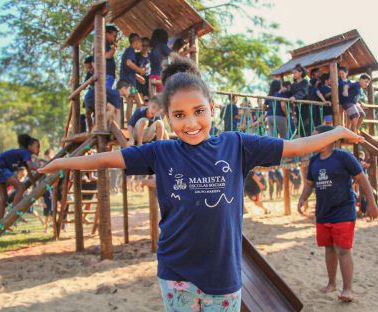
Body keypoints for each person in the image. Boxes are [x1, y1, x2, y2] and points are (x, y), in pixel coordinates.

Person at [39, 54, 364, 312]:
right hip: (176, 273)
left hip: (222, 275)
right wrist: (61, 163)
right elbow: (105, 159)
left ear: (213, 107)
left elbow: (293, 147)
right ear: (167, 116)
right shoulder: (161, 151)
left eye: (198, 111)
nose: (191, 123)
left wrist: (336, 132)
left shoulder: (237, 145)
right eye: (179, 115)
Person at [298, 125, 378, 302]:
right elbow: (310, 183)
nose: (312, 140)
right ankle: (332, 283)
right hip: (323, 212)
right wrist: (302, 198)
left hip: (344, 211)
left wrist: (372, 203)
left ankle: (347, 289)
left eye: (316, 137)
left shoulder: (344, 157)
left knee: (343, 250)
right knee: (329, 248)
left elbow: (362, 179)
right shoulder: (314, 161)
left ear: (328, 139)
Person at [0, 134, 40, 220]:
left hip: (0, 168)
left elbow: (30, 174)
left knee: (4, 198)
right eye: (37, 146)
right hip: (0, 167)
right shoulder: (25, 152)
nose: (39, 149)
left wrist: (35, 186)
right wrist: (44, 168)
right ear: (29, 146)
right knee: (20, 186)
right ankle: (14, 211)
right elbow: (31, 166)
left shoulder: (24, 155)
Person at [83, 55, 121, 132]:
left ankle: (94, 129)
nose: (89, 70)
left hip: (95, 96)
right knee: (89, 113)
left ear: (93, 64)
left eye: (90, 67)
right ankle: (92, 129)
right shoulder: (90, 74)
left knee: (107, 109)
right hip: (92, 97)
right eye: (87, 68)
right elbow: (84, 85)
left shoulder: (100, 71)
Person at [118, 33, 146, 123]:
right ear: (136, 41)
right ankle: (135, 123)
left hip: (127, 83)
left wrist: (137, 77)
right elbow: (129, 63)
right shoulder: (131, 50)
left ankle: (130, 126)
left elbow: (128, 70)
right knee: (140, 103)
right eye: (141, 43)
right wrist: (140, 70)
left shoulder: (128, 51)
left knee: (129, 104)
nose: (141, 45)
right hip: (128, 84)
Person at [290, 64, 310, 136]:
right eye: (293, 73)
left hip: (306, 108)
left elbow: (304, 92)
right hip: (297, 109)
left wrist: (295, 97)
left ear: (300, 73)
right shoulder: (293, 85)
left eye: (295, 72)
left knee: (307, 127)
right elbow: (290, 94)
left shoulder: (305, 82)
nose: (293, 74)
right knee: (300, 127)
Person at [149, 28, 170, 95]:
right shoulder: (162, 46)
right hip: (159, 77)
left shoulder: (153, 49)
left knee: (156, 101)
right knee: (163, 101)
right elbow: (174, 54)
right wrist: (188, 50)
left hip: (152, 77)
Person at [136, 37, 152, 102]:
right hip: (137, 82)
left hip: (149, 84)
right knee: (141, 104)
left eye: (147, 46)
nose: (145, 48)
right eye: (143, 45)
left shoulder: (152, 56)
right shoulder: (136, 56)